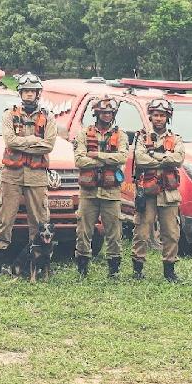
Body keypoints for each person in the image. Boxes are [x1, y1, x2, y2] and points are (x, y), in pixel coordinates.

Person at [0, 72, 57, 275]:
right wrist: (33, 141)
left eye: (32, 91)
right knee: (5, 218)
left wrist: (24, 144)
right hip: (12, 172)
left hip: (37, 174)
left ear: (38, 93)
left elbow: (49, 145)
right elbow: (10, 141)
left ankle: (39, 263)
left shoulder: (48, 116)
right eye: (25, 91)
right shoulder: (9, 114)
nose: (29, 95)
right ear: (20, 93)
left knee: (39, 219)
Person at [73, 96, 129, 278]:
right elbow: (79, 160)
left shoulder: (121, 135)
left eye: (110, 112)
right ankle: (82, 269)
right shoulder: (83, 134)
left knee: (114, 232)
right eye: (103, 112)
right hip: (88, 193)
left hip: (111, 192)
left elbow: (122, 157)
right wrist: (106, 162)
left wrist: (97, 155)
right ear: (96, 113)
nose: (107, 115)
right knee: (83, 231)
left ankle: (114, 270)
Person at [132, 98, 185, 281]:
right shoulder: (141, 137)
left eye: (162, 115)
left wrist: (153, 155)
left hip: (168, 194)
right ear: (151, 116)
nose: (159, 119)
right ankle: (138, 270)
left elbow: (178, 159)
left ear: (167, 117)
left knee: (171, 232)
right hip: (146, 192)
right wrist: (164, 158)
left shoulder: (176, 138)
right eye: (156, 115)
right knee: (142, 231)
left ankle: (169, 271)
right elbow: (140, 159)